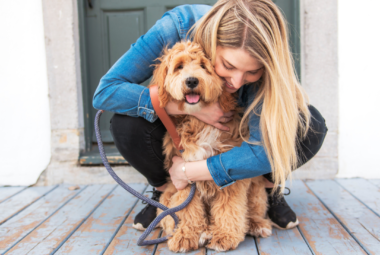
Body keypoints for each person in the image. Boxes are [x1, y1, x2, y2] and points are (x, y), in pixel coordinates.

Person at [93, 0, 327, 231]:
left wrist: (188, 170)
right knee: (126, 125)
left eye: (252, 71)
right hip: (182, 133)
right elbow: (106, 92)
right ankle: (165, 191)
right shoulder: (176, 27)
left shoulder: (265, 65)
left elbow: (263, 152)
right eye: (228, 65)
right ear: (212, 43)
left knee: (309, 124)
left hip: (236, 136)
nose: (236, 82)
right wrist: (188, 107)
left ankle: (266, 188)